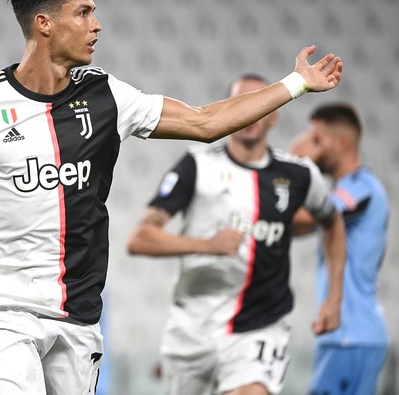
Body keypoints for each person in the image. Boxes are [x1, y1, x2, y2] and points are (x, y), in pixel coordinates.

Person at [0, 0, 343, 395]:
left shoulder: (107, 96)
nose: (98, 25)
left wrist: (297, 83)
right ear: (45, 23)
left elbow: (204, 122)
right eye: (84, 13)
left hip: (77, 312)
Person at [126, 74, 346, 395]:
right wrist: (207, 245)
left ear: (274, 114)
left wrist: (334, 299)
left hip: (260, 325)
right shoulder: (196, 165)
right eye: (239, 104)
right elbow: (140, 238)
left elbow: (332, 221)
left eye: (258, 104)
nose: (249, 113)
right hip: (192, 330)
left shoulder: (298, 174)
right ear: (227, 109)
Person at [290, 103, 389, 395]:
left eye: (318, 140)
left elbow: (300, 217)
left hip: (352, 335)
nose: (313, 148)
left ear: (343, 142)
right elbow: (292, 226)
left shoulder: (362, 187)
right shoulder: (344, 190)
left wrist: (296, 163)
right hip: (345, 337)